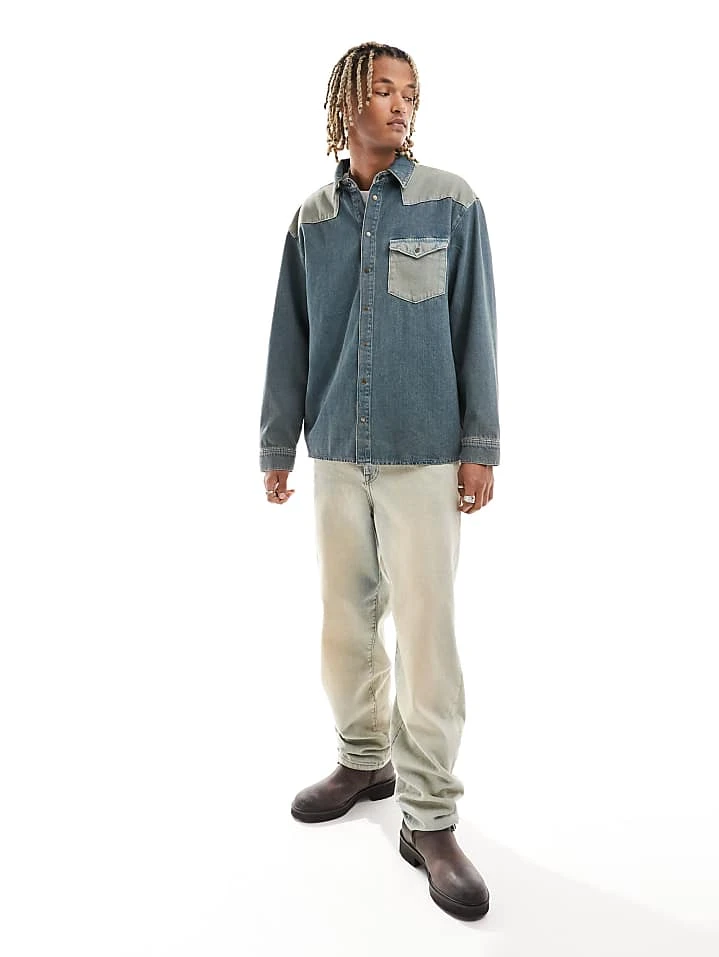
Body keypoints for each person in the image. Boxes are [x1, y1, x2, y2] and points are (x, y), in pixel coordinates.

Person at [259, 40, 500, 921]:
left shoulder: (451, 202)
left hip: (424, 450)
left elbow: (475, 325)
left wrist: (479, 444)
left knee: (427, 634)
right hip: (334, 452)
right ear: (347, 103)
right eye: (383, 90)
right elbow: (289, 336)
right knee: (344, 620)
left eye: (410, 93)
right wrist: (277, 444)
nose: (400, 105)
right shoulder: (312, 219)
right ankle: (363, 760)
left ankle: (430, 815)